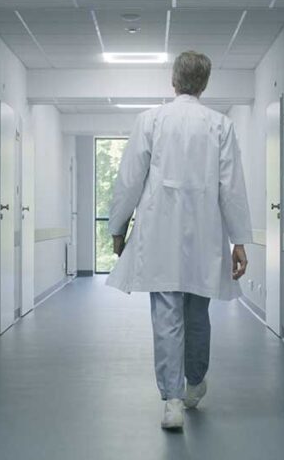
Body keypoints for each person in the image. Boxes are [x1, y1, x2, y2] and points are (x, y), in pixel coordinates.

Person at [107, 50, 252, 430]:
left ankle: (171, 401)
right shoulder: (220, 126)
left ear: (174, 81)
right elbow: (231, 187)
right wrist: (239, 240)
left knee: (166, 317)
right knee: (197, 313)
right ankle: (195, 383)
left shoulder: (151, 120)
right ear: (204, 84)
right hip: (204, 235)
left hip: (159, 234)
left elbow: (129, 180)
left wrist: (117, 228)